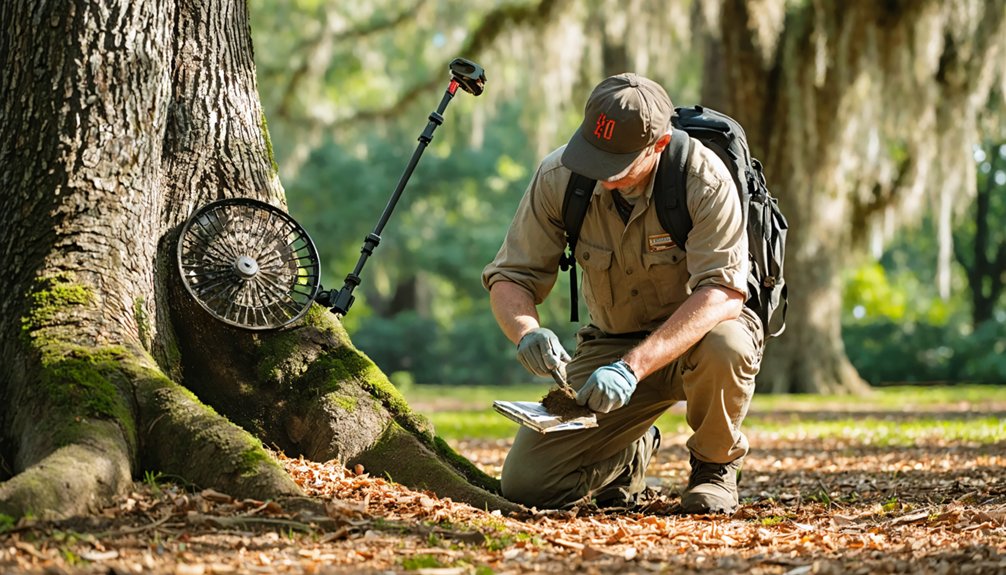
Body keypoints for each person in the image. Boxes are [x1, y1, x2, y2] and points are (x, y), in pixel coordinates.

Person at [481, 73, 764, 514]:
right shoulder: (561, 177)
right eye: (594, 155)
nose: (601, 173)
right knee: (527, 486)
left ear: (660, 144)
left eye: (618, 162)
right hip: (610, 344)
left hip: (698, 341)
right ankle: (632, 452)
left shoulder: (704, 181)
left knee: (726, 344)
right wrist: (526, 332)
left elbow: (724, 292)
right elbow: (510, 276)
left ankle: (714, 468)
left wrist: (633, 368)